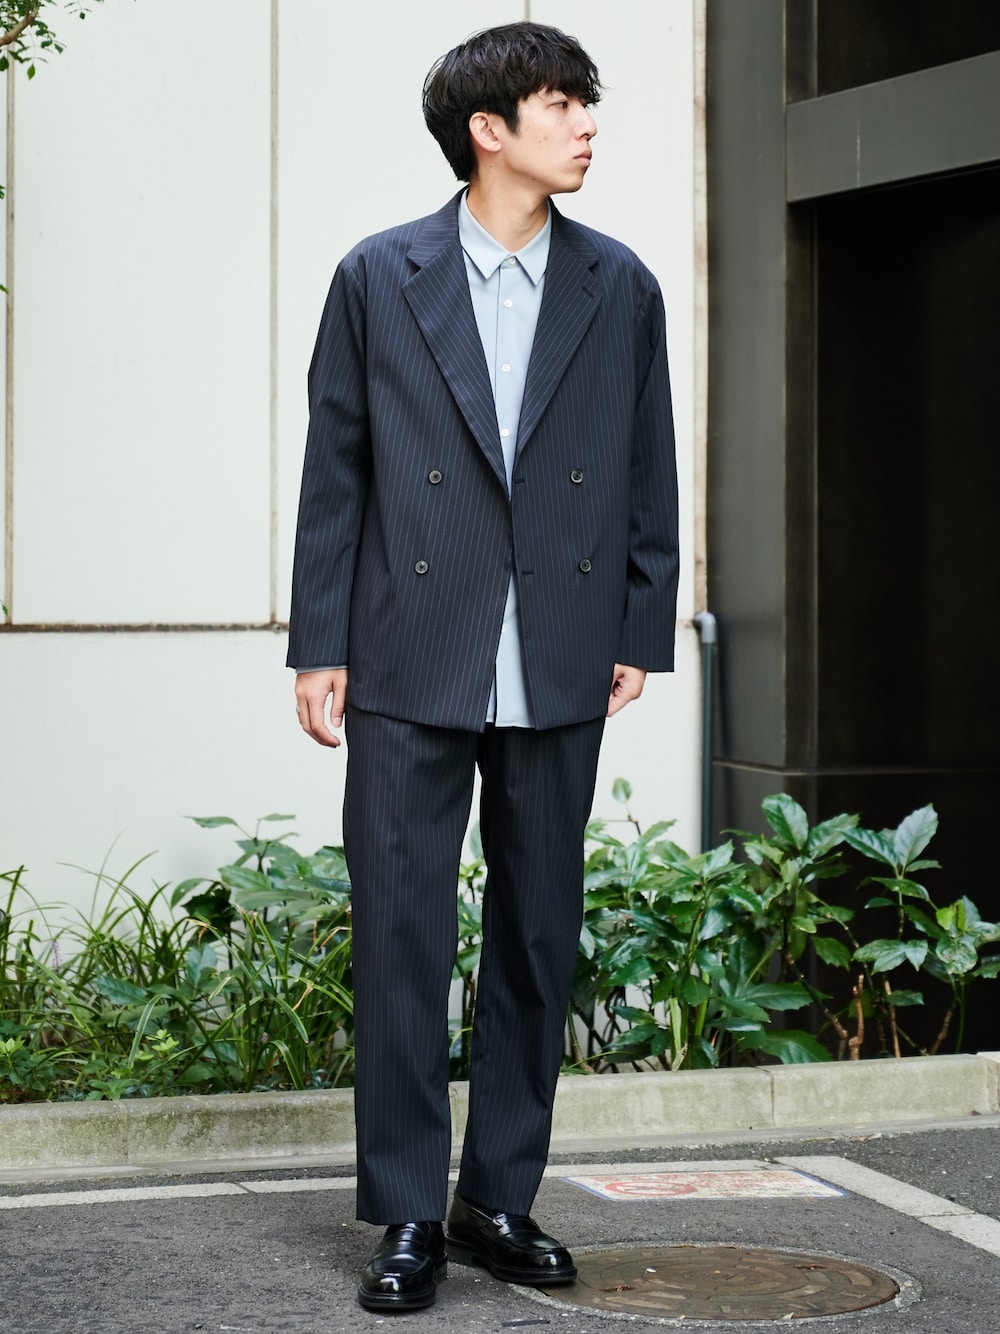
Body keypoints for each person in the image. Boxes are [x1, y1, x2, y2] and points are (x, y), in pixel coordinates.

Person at [288, 20, 679, 1313]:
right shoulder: (378, 275)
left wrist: (639, 621)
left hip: (561, 647)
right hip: (408, 646)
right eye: (563, 104)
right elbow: (337, 467)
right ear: (488, 130)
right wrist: (320, 642)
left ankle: (496, 1195)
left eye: (587, 103)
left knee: (536, 930)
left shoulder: (620, 286)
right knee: (402, 931)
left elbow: (648, 462)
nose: (588, 124)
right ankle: (409, 1206)